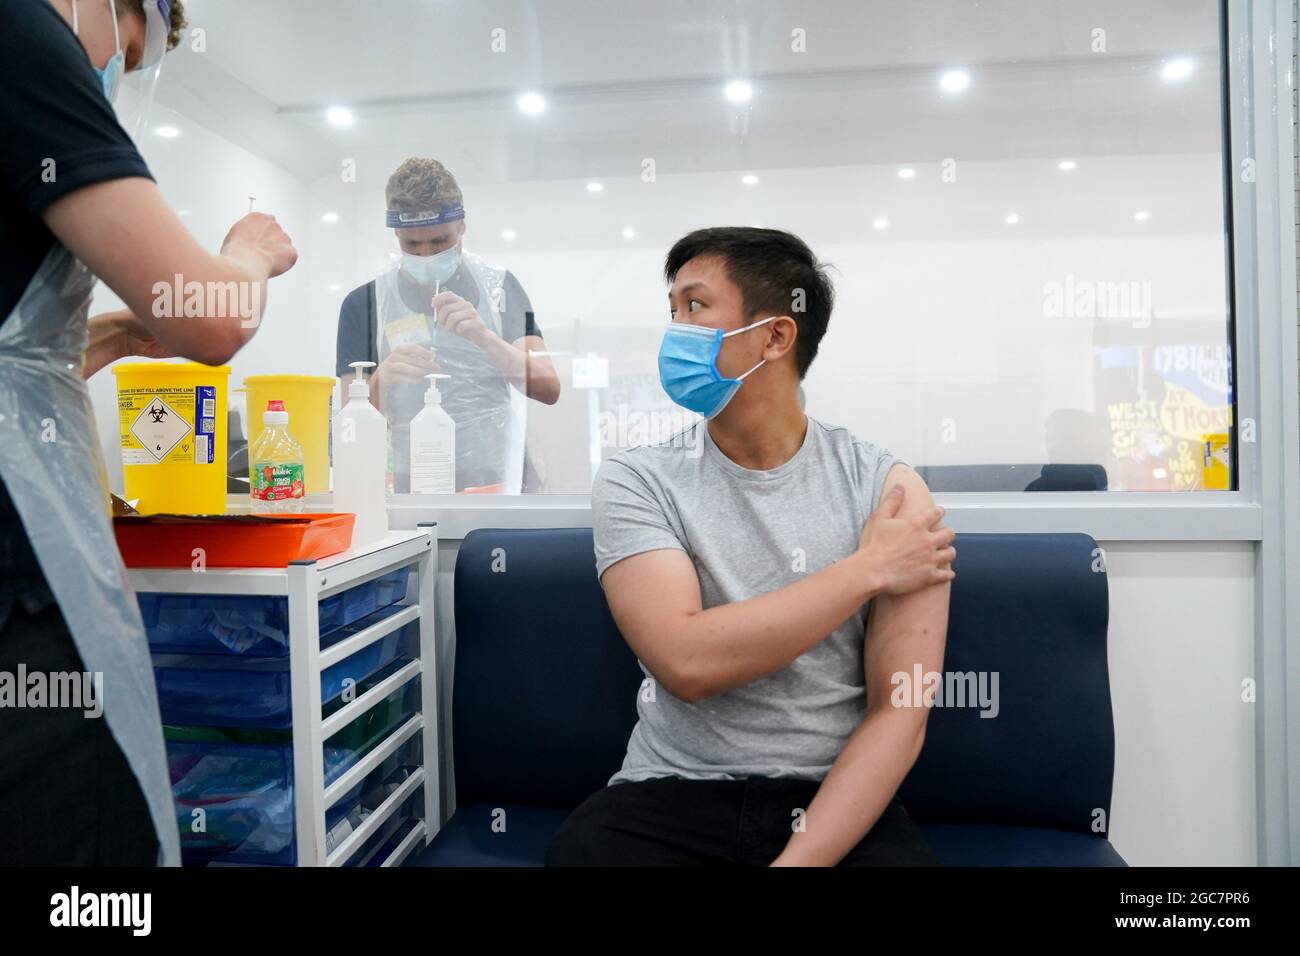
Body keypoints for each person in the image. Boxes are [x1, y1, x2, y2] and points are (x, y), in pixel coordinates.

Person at [546, 227, 955, 866]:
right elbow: (685, 664)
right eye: (673, 310)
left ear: (775, 335)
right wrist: (867, 570)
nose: (675, 330)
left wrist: (798, 865)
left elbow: (900, 712)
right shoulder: (638, 480)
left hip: (831, 793)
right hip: (670, 793)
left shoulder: (891, 492)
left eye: (696, 306)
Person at [0, 0, 298, 865]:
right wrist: (247, 251)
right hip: (21, 575)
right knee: (89, 833)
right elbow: (211, 320)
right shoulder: (25, 33)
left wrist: (127, 334)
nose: (120, 71)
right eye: (131, 48)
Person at [335, 158, 560, 494]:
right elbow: (351, 426)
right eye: (412, 245)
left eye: (439, 242)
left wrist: (486, 339)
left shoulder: (500, 289)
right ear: (396, 233)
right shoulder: (365, 304)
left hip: (497, 481)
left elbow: (548, 387)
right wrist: (384, 378)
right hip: (411, 484)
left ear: (462, 227)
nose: (426, 255)